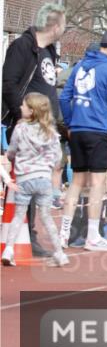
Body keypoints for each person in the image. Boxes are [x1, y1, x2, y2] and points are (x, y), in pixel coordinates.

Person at [2, 2, 67, 257]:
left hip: (45, 127)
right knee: (26, 180)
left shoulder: (49, 52)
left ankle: (28, 234)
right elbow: (8, 83)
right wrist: (20, 115)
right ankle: (23, 235)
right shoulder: (23, 47)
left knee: (38, 179)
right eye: (63, 24)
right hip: (26, 125)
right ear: (53, 25)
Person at [58, 30, 107, 252]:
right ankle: (92, 237)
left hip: (77, 129)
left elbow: (64, 97)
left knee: (76, 182)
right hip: (98, 130)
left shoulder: (78, 67)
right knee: (97, 184)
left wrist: (69, 123)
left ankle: (63, 234)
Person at [1, 93, 68, 267]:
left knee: (18, 215)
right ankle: (59, 253)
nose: (20, 108)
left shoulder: (20, 129)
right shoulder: (51, 132)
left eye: (23, 106)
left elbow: (12, 151)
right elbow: (57, 158)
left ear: (31, 111)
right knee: (46, 216)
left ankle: (8, 249)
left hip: (24, 178)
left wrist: (10, 156)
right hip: (44, 178)